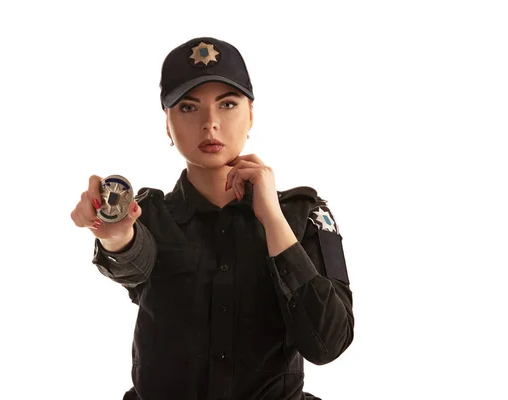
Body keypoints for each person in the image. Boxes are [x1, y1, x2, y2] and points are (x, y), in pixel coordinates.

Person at [71, 37, 354, 400]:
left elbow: (328, 344)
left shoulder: (304, 214)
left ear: (251, 114)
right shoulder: (149, 216)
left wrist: (272, 218)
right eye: (189, 108)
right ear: (168, 125)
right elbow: (131, 258)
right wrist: (114, 234)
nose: (210, 124)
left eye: (228, 104)